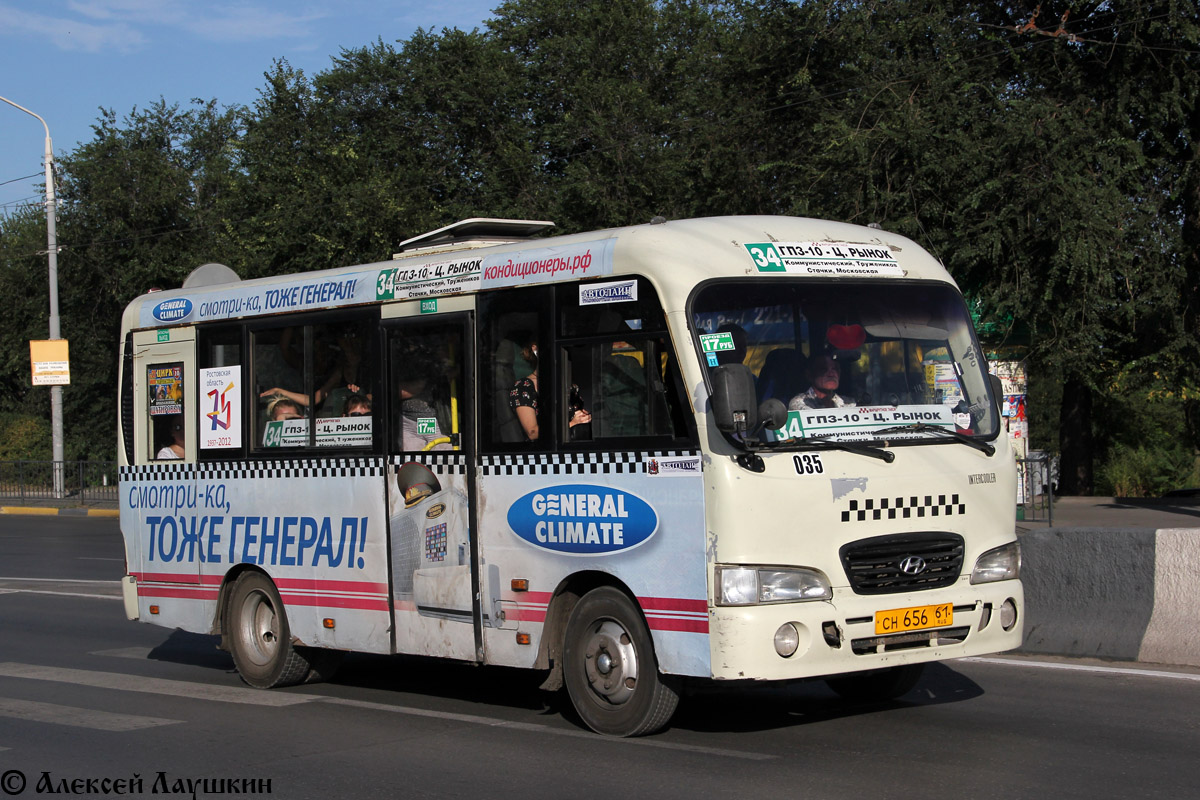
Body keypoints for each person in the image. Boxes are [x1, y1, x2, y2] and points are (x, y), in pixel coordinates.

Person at [509, 339, 591, 442]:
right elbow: (532, 432)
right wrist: (571, 424)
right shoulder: (523, 387)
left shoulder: (567, 384)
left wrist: (583, 417)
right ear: (535, 350)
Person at [789, 354, 854, 410]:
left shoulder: (848, 402)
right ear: (809, 375)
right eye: (823, 369)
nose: (831, 374)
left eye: (835, 369)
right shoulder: (800, 402)